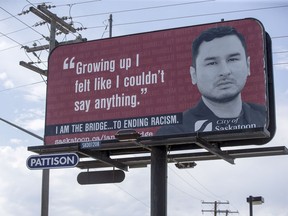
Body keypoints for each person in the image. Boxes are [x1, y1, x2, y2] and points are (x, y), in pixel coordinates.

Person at [156, 26, 266, 135]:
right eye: (212, 63)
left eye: (232, 59)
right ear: (194, 75)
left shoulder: (265, 116)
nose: (225, 71)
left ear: (248, 66)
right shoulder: (174, 131)